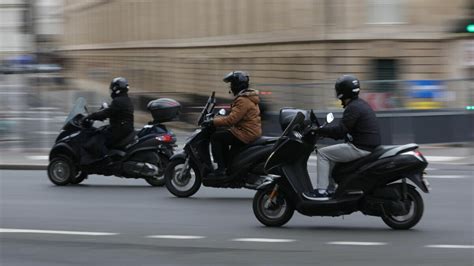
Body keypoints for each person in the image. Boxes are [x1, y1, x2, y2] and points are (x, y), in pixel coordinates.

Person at [303, 75, 381, 200]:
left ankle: (322, 191)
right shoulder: (360, 104)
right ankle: (331, 189)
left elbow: (340, 131)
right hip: (366, 145)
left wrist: (319, 131)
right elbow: (344, 130)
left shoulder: (353, 107)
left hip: (360, 147)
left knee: (323, 154)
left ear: (342, 92)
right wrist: (323, 131)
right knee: (332, 155)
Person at [202, 71, 262, 179]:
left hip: (245, 133)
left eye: (232, 84)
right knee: (223, 135)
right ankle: (226, 167)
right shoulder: (247, 97)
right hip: (248, 130)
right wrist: (218, 119)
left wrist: (213, 121)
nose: (231, 87)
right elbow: (235, 116)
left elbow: (231, 120)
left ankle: (221, 170)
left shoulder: (243, 100)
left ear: (237, 85)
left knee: (216, 137)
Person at [83, 77, 134, 157]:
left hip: (119, 129)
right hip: (125, 128)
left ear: (116, 89)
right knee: (102, 130)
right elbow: (112, 111)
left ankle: (104, 161)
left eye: (112, 88)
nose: (112, 91)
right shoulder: (126, 99)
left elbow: (106, 113)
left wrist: (91, 116)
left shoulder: (118, 101)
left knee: (98, 139)